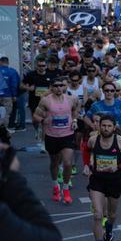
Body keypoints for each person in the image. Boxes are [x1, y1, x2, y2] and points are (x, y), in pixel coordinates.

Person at [81, 114, 121, 241]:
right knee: (98, 215)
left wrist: (118, 167)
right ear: (99, 126)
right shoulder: (94, 140)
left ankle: (109, 229)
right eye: (103, 125)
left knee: (111, 214)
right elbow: (85, 151)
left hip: (115, 181)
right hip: (97, 180)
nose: (105, 128)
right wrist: (86, 165)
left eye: (109, 126)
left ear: (114, 127)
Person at [33, 76, 78, 204]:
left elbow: (75, 111)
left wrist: (74, 121)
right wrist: (43, 120)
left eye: (61, 85)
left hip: (67, 135)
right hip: (52, 136)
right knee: (54, 163)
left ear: (65, 87)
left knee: (68, 162)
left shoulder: (71, 99)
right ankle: (55, 187)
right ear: (51, 87)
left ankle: (65, 190)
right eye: (56, 86)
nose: (59, 88)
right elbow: (35, 116)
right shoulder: (45, 101)